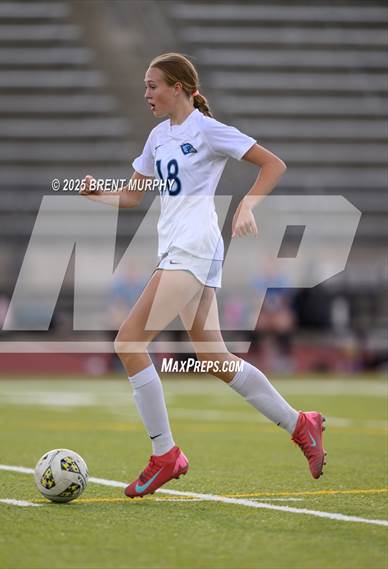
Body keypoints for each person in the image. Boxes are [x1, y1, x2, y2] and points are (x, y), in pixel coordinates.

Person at [81, 52, 326, 498]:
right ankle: (300, 423)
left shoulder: (207, 130)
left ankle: (165, 454)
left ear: (179, 88)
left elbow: (273, 164)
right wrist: (98, 193)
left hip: (193, 249)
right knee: (213, 357)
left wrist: (247, 204)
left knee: (129, 343)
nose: (146, 94)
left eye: (153, 85)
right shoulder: (158, 137)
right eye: (145, 86)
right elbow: (133, 197)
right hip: (184, 251)